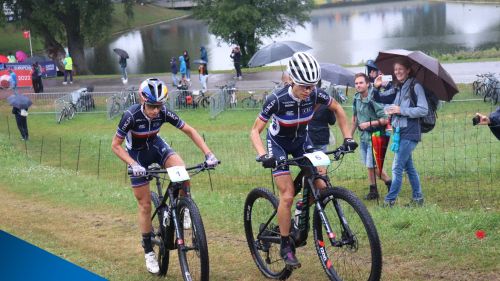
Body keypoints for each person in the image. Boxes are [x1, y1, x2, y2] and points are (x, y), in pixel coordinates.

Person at [250, 52, 357, 267]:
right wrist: (264, 155)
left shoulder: (315, 94)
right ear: (292, 81)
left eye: (313, 86)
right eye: (304, 87)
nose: (309, 91)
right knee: (287, 194)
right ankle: (285, 245)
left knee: (321, 182)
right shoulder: (277, 99)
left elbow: (337, 109)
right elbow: (254, 131)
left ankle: (301, 209)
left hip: (302, 142)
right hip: (278, 144)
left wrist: (348, 138)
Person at [111, 78, 219, 274]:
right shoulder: (130, 116)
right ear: (142, 100)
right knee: (144, 204)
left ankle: (185, 208)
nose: (155, 111)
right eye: (152, 106)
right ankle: (148, 252)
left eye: (159, 106)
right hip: (136, 155)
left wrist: (209, 154)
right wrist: (133, 164)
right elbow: (115, 146)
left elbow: (189, 130)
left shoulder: (163, 113)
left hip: (156, 147)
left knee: (182, 171)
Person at [374, 58, 428, 207]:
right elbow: (379, 98)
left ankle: (389, 201)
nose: (397, 72)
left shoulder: (416, 86)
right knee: (409, 167)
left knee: (397, 167)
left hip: (410, 132)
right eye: (395, 69)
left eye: (400, 69)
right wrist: (376, 86)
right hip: (399, 132)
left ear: (408, 70)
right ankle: (418, 198)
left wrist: (400, 110)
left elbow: (423, 109)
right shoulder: (398, 87)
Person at [350, 73, 392, 200]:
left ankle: (389, 184)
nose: (358, 85)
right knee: (371, 167)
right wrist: (348, 137)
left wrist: (368, 124)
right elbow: (355, 119)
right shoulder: (356, 98)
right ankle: (374, 191)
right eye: (356, 83)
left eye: (361, 82)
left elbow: (385, 119)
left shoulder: (374, 97)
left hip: (377, 137)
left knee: (372, 166)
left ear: (367, 84)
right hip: (363, 138)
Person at [308, 80, 336, 152]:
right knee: (321, 160)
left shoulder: (305, 101)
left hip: (309, 136)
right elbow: (332, 121)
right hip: (322, 137)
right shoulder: (327, 104)